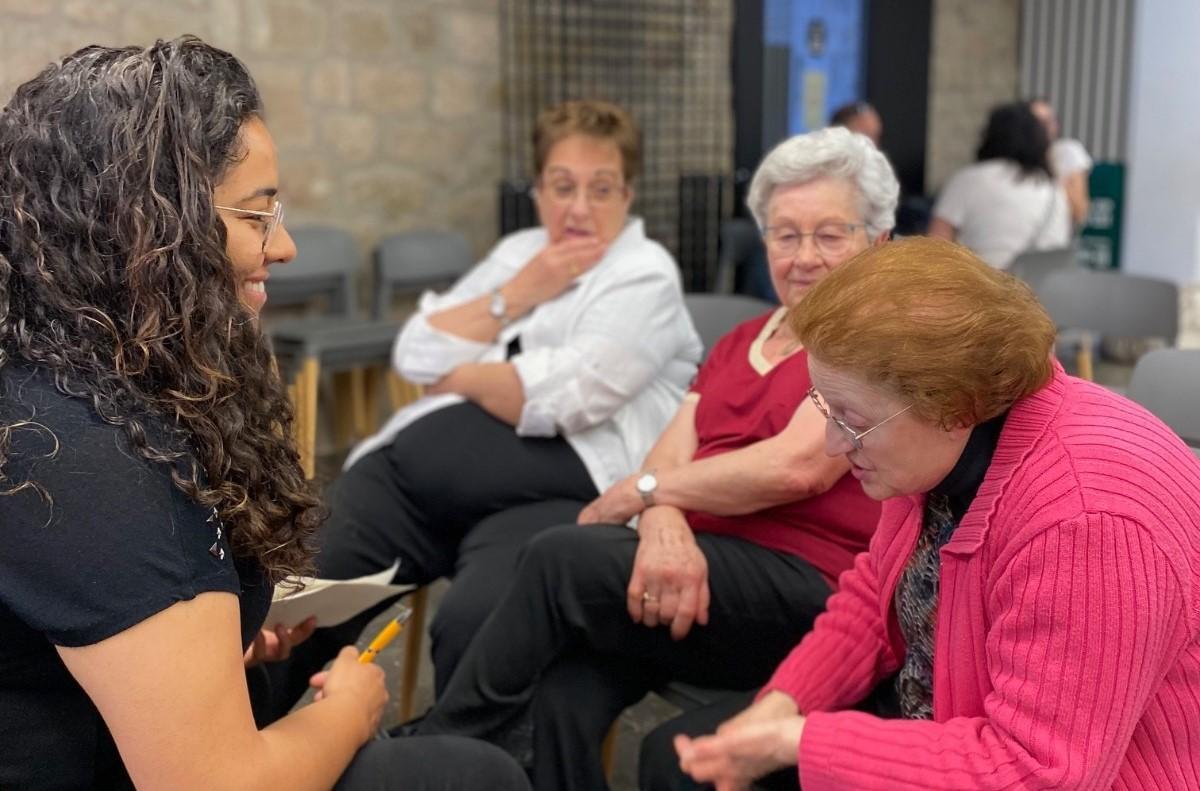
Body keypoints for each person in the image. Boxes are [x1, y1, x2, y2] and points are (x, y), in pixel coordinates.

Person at [0, 37, 529, 791]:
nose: (281, 245)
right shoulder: (89, 462)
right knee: (479, 774)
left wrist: (220, 642)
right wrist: (347, 710)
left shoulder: (66, 378)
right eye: (257, 215)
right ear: (152, 230)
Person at [412, 127, 899, 791]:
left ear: (877, 242)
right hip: (695, 579)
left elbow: (796, 465)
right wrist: (664, 516)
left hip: (810, 589)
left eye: (829, 234)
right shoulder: (739, 340)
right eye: (785, 234)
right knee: (562, 694)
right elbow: (669, 449)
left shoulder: (869, 336)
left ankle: (442, 742)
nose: (804, 256)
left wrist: (646, 493)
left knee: (561, 556)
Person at [671, 236, 1200, 790]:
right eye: (826, 407)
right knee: (687, 764)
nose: (832, 443)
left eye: (851, 417)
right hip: (950, 718)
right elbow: (879, 597)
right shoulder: (941, 447)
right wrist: (782, 704)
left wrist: (798, 743)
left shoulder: (1086, 523)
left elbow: (1033, 772)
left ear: (954, 407)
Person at [268, 100, 702, 713]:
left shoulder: (644, 274)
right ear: (537, 190)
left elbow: (565, 397)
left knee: (472, 625)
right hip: (410, 485)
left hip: (548, 501)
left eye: (600, 189)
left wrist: (462, 376)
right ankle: (228, 753)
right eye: (562, 186)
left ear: (628, 195)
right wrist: (520, 292)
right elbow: (414, 351)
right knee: (302, 593)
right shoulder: (520, 252)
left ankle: (449, 764)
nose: (578, 207)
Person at [929, 101, 1070, 269]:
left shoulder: (969, 180)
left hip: (982, 286)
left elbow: (936, 243)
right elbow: (1059, 244)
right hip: (1038, 287)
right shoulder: (1051, 186)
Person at [1029, 96, 1093, 226]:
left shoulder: (1066, 152)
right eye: (1038, 122)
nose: (1044, 128)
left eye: (1049, 121)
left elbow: (1078, 211)